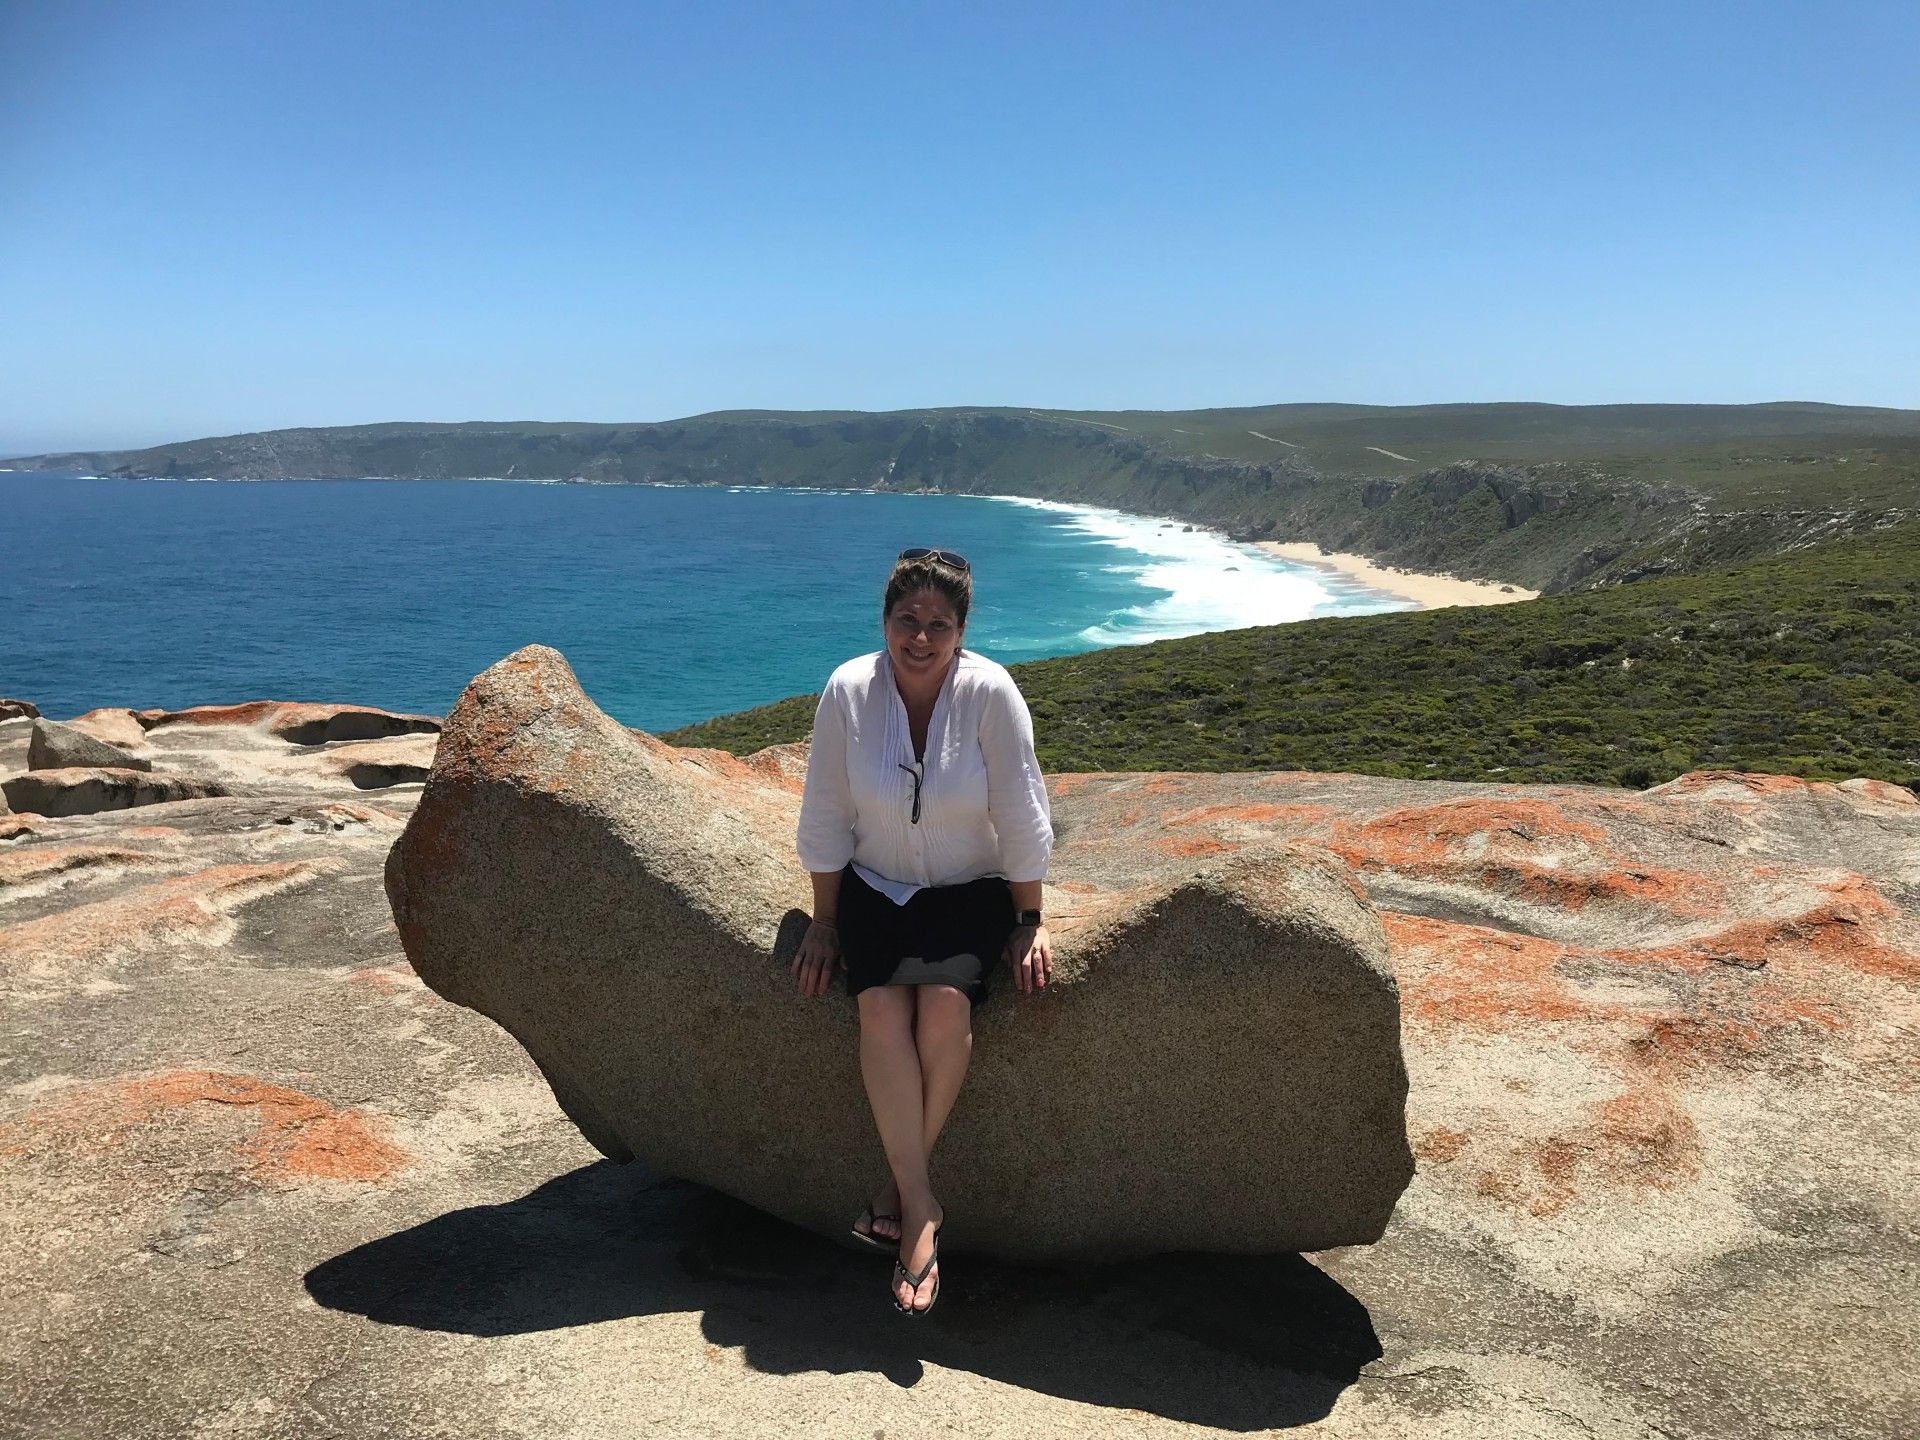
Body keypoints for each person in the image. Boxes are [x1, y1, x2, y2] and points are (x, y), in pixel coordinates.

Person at [791, 545, 1054, 1316]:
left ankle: (897, 1192)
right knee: (880, 1007)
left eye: (939, 623)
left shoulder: (990, 693)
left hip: (969, 890)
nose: (921, 636)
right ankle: (922, 1209)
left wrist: (1031, 918)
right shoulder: (848, 690)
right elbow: (826, 813)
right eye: (907, 619)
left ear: (962, 630)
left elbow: (1021, 810)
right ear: (885, 620)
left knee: (944, 1003)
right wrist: (824, 921)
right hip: (875, 889)